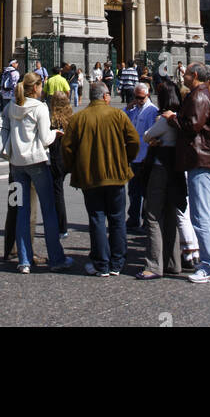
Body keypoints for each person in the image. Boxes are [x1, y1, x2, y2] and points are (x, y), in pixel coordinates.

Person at [61, 80, 140, 277]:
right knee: (118, 219)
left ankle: (101, 263)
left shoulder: (78, 118)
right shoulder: (118, 115)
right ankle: (117, 263)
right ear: (105, 96)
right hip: (116, 175)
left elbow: (66, 148)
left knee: (96, 218)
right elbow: (134, 141)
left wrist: (75, 168)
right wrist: (126, 160)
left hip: (90, 177)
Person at [7, 71, 73, 273]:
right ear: (35, 88)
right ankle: (56, 258)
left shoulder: (12, 105)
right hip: (36, 163)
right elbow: (45, 139)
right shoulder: (40, 107)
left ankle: (24, 261)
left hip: (17, 164)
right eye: (41, 86)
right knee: (49, 210)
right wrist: (56, 132)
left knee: (22, 211)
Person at [165, 63, 210, 282]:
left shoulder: (198, 96)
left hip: (199, 159)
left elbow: (191, 126)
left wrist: (172, 118)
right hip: (207, 158)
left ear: (195, 75)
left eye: (186, 73)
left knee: (200, 216)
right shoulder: (205, 93)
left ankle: (209, 267)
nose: (183, 75)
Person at [138, 77, 187, 278]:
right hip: (176, 170)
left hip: (160, 169)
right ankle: (173, 262)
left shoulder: (166, 118)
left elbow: (147, 135)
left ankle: (153, 265)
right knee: (170, 215)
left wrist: (154, 139)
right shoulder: (182, 117)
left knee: (152, 215)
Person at [125, 83, 159, 230]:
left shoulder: (152, 111)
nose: (138, 100)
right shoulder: (135, 110)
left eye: (141, 97)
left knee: (146, 191)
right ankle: (133, 219)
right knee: (133, 191)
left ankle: (146, 220)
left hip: (145, 157)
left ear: (148, 95)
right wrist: (128, 107)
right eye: (136, 97)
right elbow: (124, 120)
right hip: (134, 156)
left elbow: (153, 134)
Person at [48, 91, 72, 237]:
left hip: (55, 159)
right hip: (67, 159)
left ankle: (61, 227)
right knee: (57, 191)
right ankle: (60, 226)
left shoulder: (52, 120)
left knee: (56, 193)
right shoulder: (71, 118)